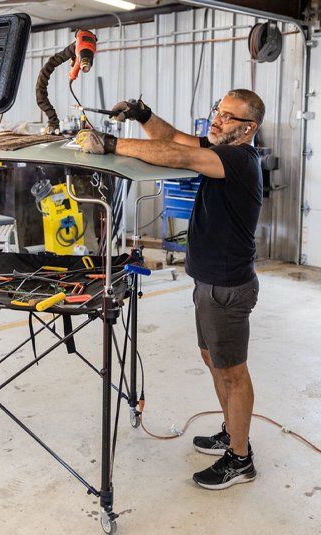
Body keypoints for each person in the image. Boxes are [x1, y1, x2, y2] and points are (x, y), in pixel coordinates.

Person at [76, 89, 264, 490]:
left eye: (228, 117)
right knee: (213, 360)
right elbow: (175, 139)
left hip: (227, 288)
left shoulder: (238, 160)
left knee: (232, 372)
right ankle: (232, 433)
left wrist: (110, 143)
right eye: (218, 111)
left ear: (248, 129)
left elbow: (179, 157)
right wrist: (144, 114)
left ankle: (240, 459)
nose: (217, 119)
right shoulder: (219, 147)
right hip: (209, 283)